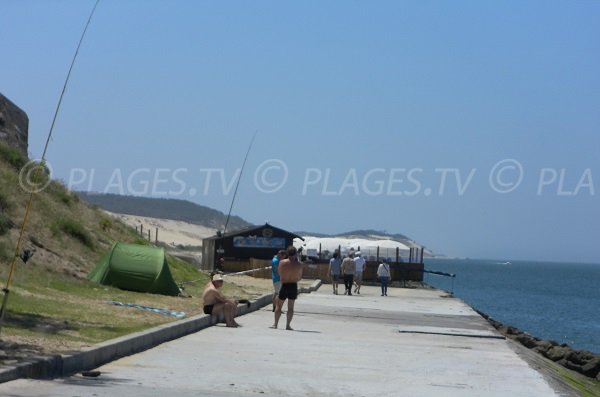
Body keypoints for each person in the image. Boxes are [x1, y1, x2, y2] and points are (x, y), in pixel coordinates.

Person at [272, 245, 303, 330]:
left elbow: (279, 273)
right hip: (293, 285)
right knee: (290, 307)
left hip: (284, 285)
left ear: (287, 253)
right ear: (296, 253)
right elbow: (299, 277)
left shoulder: (282, 262)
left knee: (279, 306)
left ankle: (275, 324)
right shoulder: (299, 264)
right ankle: (288, 325)